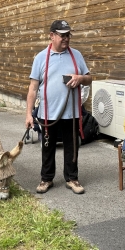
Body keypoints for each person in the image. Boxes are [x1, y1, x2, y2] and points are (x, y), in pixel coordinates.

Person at [25, 20, 92, 195]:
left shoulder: (76, 55)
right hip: (48, 112)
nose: (66, 38)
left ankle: (72, 178)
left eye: (68, 35)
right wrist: (28, 114)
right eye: (62, 35)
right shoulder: (40, 57)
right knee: (48, 147)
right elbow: (33, 88)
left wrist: (79, 78)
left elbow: (89, 78)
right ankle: (46, 179)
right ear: (52, 36)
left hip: (72, 113)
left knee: (72, 147)